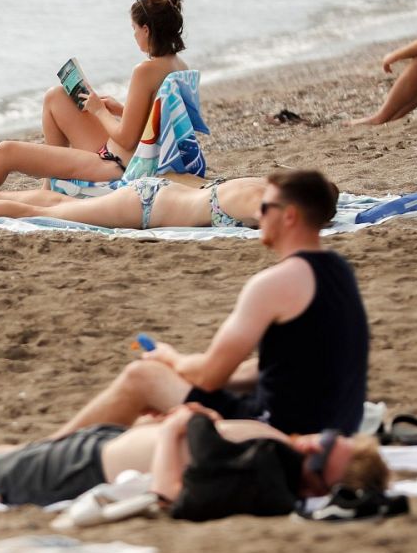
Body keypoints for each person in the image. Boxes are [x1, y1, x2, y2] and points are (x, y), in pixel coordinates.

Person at [56, 170, 369, 437]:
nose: (258, 215)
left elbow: (208, 376)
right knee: (146, 418)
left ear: (289, 216)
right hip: (335, 424)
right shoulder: (339, 269)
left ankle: (41, 456)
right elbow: (282, 363)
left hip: (282, 428)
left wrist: (172, 359)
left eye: (265, 208)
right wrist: (205, 375)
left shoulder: (273, 284)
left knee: (144, 377)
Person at [0, 0, 196, 212]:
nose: (134, 37)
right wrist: (120, 108)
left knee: (7, 151)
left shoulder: (144, 70)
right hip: (133, 155)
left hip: (117, 165)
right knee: (55, 97)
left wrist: (99, 110)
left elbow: (126, 136)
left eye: (134, 30)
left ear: (146, 29)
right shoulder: (179, 68)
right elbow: (156, 128)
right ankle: (49, 186)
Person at [0, 404, 388, 510]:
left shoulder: (266, 477)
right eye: (326, 435)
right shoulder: (275, 462)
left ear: (323, 484)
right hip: (101, 447)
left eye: (321, 451)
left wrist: (173, 428)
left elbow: (172, 494)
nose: (311, 441)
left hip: (86, 468)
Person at [0, 175, 266, 228]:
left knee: (58, 203)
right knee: (41, 213)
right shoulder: (260, 207)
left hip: (155, 192)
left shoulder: (259, 185)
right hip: (144, 206)